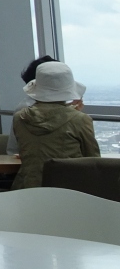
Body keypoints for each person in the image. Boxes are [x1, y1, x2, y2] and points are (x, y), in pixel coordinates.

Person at [11, 61, 97, 189]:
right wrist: (74, 114)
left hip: (27, 189)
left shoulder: (20, 118)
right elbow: (93, 160)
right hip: (68, 192)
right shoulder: (80, 120)